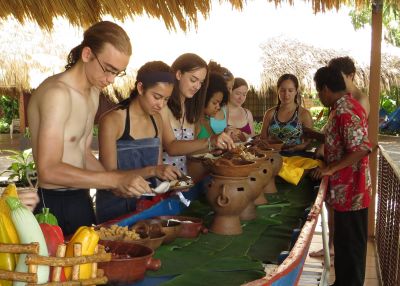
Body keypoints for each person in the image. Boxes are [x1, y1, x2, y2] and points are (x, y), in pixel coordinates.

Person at [27, 21, 151, 236]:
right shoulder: (58, 94)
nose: (111, 80)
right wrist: (114, 179)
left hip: (80, 199)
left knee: (93, 266)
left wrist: (116, 185)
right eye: (108, 70)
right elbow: (48, 170)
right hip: (52, 202)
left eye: (118, 73)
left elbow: (82, 153)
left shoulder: (92, 92)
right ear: (87, 54)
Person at [97, 61, 181, 223]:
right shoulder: (113, 120)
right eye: (157, 97)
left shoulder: (157, 119)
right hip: (115, 208)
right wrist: (153, 171)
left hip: (147, 206)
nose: (161, 105)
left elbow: (157, 168)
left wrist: (169, 177)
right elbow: (108, 176)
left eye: (166, 99)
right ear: (141, 88)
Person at [312, 66, 371, 286]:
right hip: (344, 191)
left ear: (326, 89)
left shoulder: (346, 109)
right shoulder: (340, 108)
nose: (319, 96)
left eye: (319, 92)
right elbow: (341, 139)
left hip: (353, 191)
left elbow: (362, 148)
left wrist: (331, 168)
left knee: (351, 247)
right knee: (344, 245)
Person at [161, 53, 234, 175]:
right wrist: (210, 141)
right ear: (178, 74)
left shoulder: (191, 109)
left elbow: (189, 150)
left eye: (201, 82)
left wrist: (216, 146)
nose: (197, 86)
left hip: (184, 180)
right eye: (193, 80)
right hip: (163, 184)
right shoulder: (163, 106)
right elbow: (171, 147)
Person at [260, 74, 313, 156]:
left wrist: (295, 148)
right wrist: (270, 145)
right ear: (277, 91)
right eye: (282, 90)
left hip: (296, 158)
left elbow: (308, 143)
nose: (286, 94)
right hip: (272, 158)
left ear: (296, 91)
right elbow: (263, 139)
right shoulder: (270, 113)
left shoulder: (304, 114)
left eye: (290, 90)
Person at [195, 72, 230, 140]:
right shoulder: (194, 121)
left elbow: (213, 142)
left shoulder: (206, 119)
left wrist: (226, 134)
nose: (218, 107)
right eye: (214, 103)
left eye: (219, 103)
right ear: (204, 98)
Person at [207, 61, 235, 134]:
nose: (230, 92)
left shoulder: (225, 108)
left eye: (232, 88)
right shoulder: (207, 108)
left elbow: (223, 132)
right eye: (228, 88)